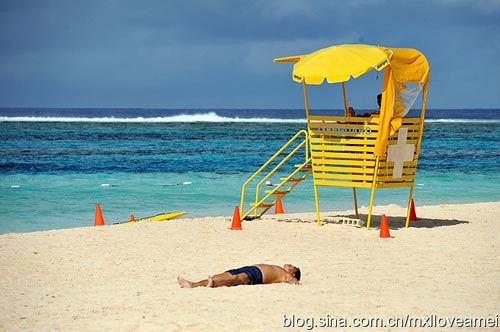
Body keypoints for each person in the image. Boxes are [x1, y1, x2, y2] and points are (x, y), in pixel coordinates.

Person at [177, 263, 301, 288]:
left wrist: (295, 280)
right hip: (251, 268)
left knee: (234, 278)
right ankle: (194, 284)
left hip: (257, 275)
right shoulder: (279, 268)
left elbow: (294, 282)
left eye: (293, 267)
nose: (290, 265)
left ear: (293, 272)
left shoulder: (286, 275)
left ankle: (212, 284)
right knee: (223, 275)